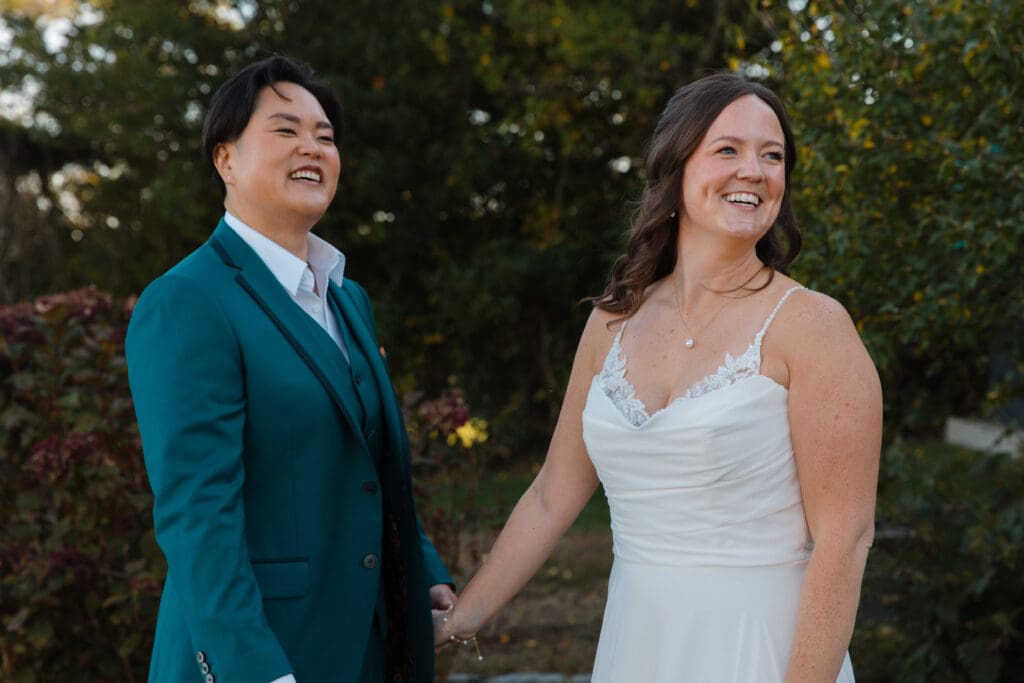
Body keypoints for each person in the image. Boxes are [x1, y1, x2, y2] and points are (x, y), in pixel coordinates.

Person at [434, 73, 882, 682]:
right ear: (675, 166)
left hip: (762, 650)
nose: (754, 170)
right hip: (636, 646)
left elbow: (845, 539)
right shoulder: (612, 321)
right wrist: (461, 619)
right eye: (728, 149)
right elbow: (551, 494)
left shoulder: (811, 326)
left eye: (772, 156)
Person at [126, 55, 454, 683]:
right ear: (226, 160)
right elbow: (198, 516)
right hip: (262, 654)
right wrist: (257, 671)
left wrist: (424, 569)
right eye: (285, 130)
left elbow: (367, 465)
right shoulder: (187, 301)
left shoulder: (346, 297)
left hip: (366, 646)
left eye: (325, 136)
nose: (313, 147)